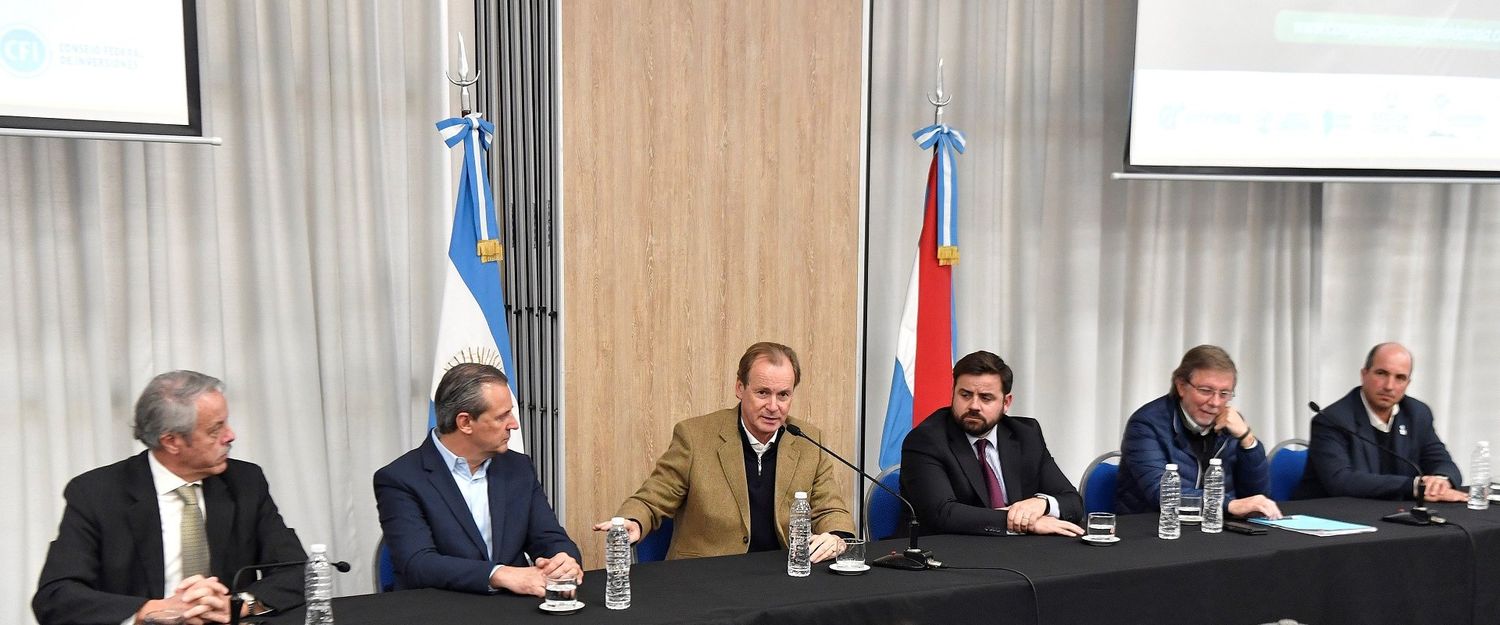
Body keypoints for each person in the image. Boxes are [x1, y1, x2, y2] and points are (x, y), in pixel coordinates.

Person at [33, 371, 305, 625]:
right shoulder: (97, 493)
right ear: (172, 441)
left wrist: (236, 605)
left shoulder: (245, 481)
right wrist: (150, 611)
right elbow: (56, 596)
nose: (230, 436)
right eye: (215, 430)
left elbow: (298, 571)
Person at [594, 342, 854, 561]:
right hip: (708, 577)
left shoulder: (807, 440)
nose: (774, 406)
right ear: (740, 388)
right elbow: (652, 499)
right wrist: (633, 521)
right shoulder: (695, 437)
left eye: (783, 395)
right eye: (763, 393)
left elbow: (831, 510)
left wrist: (836, 538)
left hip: (782, 578)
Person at [374, 362, 581, 596]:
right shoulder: (400, 479)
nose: (513, 424)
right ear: (465, 423)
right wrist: (500, 574)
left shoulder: (518, 467)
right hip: (441, 608)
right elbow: (417, 564)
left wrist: (563, 561)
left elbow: (549, 537)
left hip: (515, 609)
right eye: (502, 416)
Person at [900, 351, 1085, 536]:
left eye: (985, 398)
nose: (974, 405)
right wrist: (1023, 522)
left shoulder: (1026, 434)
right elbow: (942, 514)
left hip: (1017, 552)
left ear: (1006, 402)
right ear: (953, 393)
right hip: (949, 551)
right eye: (965, 395)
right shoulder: (926, 440)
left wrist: (1041, 504)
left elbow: (1072, 502)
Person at [1116, 345, 1283, 518]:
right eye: (1206, 391)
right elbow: (1162, 495)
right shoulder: (1146, 424)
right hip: (1156, 529)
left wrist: (1247, 439)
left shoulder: (1231, 424)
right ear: (1181, 386)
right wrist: (1229, 504)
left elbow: (1257, 495)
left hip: (1218, 528)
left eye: (1224, 393)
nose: (1216, 402)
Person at [1296, 343, 1465, 501]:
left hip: (1394, 515)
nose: (1389, 386)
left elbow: (1442, 462)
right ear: (1364, 374)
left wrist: (1441, 482)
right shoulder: (1332, 420)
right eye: (1381, 373)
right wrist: (1415, 486)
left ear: (1408, 383)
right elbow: (1341, 481)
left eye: (1400, 378)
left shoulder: (1417, 413)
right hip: (1332, 517)